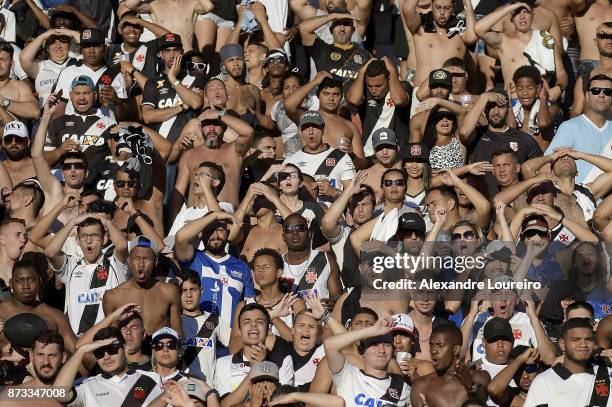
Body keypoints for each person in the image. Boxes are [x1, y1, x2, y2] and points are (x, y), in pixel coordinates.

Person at [45, 214, 128, 335]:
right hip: (77, 341)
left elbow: (122, 245)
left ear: (104, 238)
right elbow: (50, 252)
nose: (88, 241)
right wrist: (73, 221)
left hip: (108, 339)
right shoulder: (71, 265)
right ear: (77, 240)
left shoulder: (115, 264)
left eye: (94, 235)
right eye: (84, 236)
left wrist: (106, 222)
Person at [458, 87, 542, 198]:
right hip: (481, 206)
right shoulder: (476, 135)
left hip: (514, 206)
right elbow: (463, 132)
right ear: (485, 110)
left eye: (501, 106)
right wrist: (484, 98)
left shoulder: (525, 140)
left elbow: (539, 173)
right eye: (491, 106)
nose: (496, 111)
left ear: (508, 108)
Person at [475, 2, 567, 102]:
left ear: (532, 15)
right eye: (517, 13)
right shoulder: (503, 41)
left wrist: (558, 88)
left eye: (525, 12)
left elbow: (561, 74)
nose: (522, 17)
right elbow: (479, 28)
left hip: (541, 102)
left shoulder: (545, 39)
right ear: (511, 18)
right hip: (513, 102)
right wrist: (511, 7)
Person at [175, 210, 255, 327]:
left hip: (230, 341)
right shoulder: (193, 259)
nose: (215, 235)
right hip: (198, 338)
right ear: (201, 234)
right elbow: (180, 237)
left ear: (227, 233)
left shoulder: (242, 267)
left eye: (219, 230)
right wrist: (215, 215)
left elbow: (250, 307)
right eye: (210, 231)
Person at [169, 106, 255, 211]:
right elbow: (177, 195)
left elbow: (249, 132)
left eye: (216, 123)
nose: (211, 129)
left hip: (226, 220)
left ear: (224, 126)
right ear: (200, 127)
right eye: (207, 124)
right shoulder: (189, 155)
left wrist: (220, 114)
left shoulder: (234, 150)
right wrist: (172, 224)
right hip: (194, 220)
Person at [53, 326, 164, 406]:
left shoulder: (150, 380)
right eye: (99, 352)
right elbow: (58, 394)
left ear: (124, 348)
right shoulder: (87, 387)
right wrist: (81, 351)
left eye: (112, 350)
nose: (106, 357)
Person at [401, 0, 477, 116]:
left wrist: (468, 4)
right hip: (423, 93)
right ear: (432, 5)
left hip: (452, 95)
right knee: (420, 132)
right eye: (438, 7)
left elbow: (472, 37)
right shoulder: (421, 24)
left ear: (454, 7)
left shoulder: (460, 27)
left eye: (446, 8)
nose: (442, 12)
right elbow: (407, 8)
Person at [103, 235, 183, 337]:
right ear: (129, 260)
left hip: (159, 351)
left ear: (155, 262)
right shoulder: (112, 297)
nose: (141, 264)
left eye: (146, 259)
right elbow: (111, 340)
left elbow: (178, 335)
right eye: (136, 258)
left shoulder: (169, 292)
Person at [214, 303, 294, 404]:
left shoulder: (284, 361)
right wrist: (254, 370)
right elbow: (225, 405)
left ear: (267, 329)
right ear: (239, 330)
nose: (253, 325)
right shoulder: (223, 363)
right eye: (247, 322)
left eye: (260, 322)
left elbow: (285, 404)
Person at [284, 73, 365, 168]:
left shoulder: (350, 126)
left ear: (341, 96)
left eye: (336, 94)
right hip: (311, 176)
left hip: (340, 179)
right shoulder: (308, 117)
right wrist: (314, 82)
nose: (331, 98)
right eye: (326, 94)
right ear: (318, 95)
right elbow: (288, 105)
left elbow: (363, 164)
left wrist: (352, 155)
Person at [525, 318, 611, 406]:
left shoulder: (608, 374)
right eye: (576, 339)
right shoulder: (543, 381)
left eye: (588, 339)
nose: (583, 344)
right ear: (562, 344)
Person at [325, 318, 411, 406]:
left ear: (393, 351)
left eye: (387, 345)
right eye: (374, 345)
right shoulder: (348, 376)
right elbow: (329, 345)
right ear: (362, 352)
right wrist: (371, 331)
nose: (381, 350)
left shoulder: (402, 388)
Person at [544, 73, 612, 184]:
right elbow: (546, 165)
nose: (601, 95)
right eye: (595, 91)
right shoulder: (570, 127)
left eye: (607, 92)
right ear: (587, 96)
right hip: (577, 198)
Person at [0, 260, 77, 354]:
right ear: (11, 283)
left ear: (40, 281)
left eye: (31, 279)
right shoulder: (1, 312)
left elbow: (77, 351)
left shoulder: (56, 316)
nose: (26, 286)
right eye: (19, 281)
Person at [52, 28, 128, 120]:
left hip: (106, 131)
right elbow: (59, 111)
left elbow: (123, 118)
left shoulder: (115, 75)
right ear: (81, 49)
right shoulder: (68, 72)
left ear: (104, 47)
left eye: (96, 46)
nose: (91, 51)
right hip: (73, 130)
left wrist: (117, 101)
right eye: (87, 46)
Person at [142, 33, 204, 142]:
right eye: (167, 51)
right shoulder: (152, 82)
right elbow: (147, 116)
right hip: (160, 146)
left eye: (176, 50)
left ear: (182, 52)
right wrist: (182, 107)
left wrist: (173, 78)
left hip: (188, 141)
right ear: (161, 54)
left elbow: (195, 103)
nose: (172, 55)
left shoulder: (195, 77)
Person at [44, 75, 115, 170]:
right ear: (70, 96)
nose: (81, 98)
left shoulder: (109, 124)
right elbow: (42, 161)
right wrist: (60, 151)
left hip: (96, 181)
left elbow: (118, 158)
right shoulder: (58, 123)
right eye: (77, 93)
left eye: (86, 93)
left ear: (95, 95)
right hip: (65, 181)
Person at [283, 110, 357, 200]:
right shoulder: (290, 161)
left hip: (333, 213)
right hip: (299, 213)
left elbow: (353, 199)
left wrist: (334, 192)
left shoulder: (342, 158)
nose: (311, 132)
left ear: (324, 129)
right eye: (306, 128)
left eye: (315, 127)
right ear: (300, 131)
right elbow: (282, 197)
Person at [410, 324, 490, 406]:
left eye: (440, 346)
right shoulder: (421, 386)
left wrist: (471, 386)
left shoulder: (479, 377)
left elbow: (482, 401)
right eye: (431, 346)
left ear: (456, 350)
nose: (433, 351)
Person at [346, 58, 410, 157]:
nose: (373, 90)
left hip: (398, 155)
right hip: (370, 154)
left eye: (379, 85)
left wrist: (392, 71)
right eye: (370, 86)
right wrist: (361, 71)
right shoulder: (363, 90)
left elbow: (399, 100)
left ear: (389, 79)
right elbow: (353, 99)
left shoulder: (403, 87)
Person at [298, 9, 372, 89]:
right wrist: (332, 16)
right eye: (337, 24)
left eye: (346, 24)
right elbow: (303, 28)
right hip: (328, 100)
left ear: (353, 30)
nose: (342, 29)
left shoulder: (365, 55)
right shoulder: (321, 49)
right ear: (330, 30)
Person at [181, 269, 230, 382]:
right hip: (180, 389)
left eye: (193, 289)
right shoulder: (173, 322)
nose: (188, 295)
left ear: (201, 291)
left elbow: (234, 344)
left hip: (208, 391)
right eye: (184, 290)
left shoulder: (214, 320)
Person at [281, 213, 342, 300]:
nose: (295, 232)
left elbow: (337, 299)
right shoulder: (276, 264)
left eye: (300, 228)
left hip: (320, 313)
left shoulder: (325, 260)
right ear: (283, 237)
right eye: (289, 229)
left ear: (309, 233)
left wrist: (333, 304)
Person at [0, 330, 67, 407]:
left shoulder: (75, 392)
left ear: (63, 357)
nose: (46, 362)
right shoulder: (10, 400)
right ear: (32, 357)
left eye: (51, 355)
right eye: (40, 355)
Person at [19, 28, 79, 109]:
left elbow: (91, 47)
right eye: (53, 42)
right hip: (49, 114)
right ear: (47, 48)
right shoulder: (40, 66)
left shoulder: (78, 62)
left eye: (63, 42)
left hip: (73, 112)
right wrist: (43, 36)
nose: (58, 46)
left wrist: (73, 33)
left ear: (69, 46)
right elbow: (24, 58)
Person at [123, 0, 213, 52]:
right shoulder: (154, 4)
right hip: (164, 55)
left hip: (186, 54)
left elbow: (208, 6)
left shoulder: (191, 3)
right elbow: (129, 4)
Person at [0, 42, 39, 123]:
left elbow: (35, 111)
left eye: (3, 60)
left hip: (12, 134)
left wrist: (3, 101)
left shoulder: (19, 86)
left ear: (12, 64)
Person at [1, 121, 35, 185]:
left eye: (18, 139)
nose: (13, 143)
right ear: (3, 143)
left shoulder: (38, 167)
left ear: (28, 143)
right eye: (8, 139)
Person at [0, 218, 27, 287]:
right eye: (17, 235)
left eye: (24, 236)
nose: (23, 240)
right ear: (3, 240)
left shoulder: (27, 275)